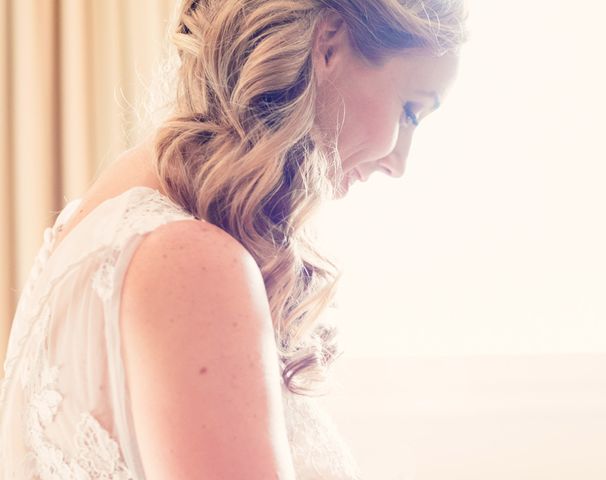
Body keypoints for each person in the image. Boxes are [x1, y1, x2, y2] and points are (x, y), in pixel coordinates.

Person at [0, 0, 466, 478]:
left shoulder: (104, 216)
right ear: (328, 46)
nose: (399, 162)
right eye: (410, 111)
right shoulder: (188, 260)